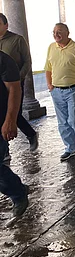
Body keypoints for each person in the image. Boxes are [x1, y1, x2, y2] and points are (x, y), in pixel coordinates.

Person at [45, 23, 75, 161]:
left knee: (74, 119)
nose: (56, 34)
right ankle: (70, 148)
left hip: (74, 89)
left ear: (67, 33)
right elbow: (48, 68)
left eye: (59, 31)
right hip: (57, 91)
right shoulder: (51, 47)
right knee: (63, 122)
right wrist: (50, 86)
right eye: (54, 32)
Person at [0, 14, 39, 158]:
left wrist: (19, 78)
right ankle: (5, 151)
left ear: (6, 25)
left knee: (13, 113)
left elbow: (27, 61)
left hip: (13, 83)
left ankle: (31, 134)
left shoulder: (17, 40)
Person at [0, 50, 29, 217]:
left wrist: (10, 120)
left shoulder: (4, 60)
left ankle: (18, 194)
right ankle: (17, 188)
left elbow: (14, 90)